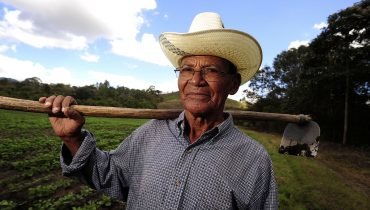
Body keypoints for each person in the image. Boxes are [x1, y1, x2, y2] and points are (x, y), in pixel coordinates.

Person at [40, 12, 278, 209]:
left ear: (233, 84)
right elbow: (109, 175)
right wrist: (73, 138)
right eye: (186, 69)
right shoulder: (150, 134)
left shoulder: (253, 159)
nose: (196, 80)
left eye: (211, 70)